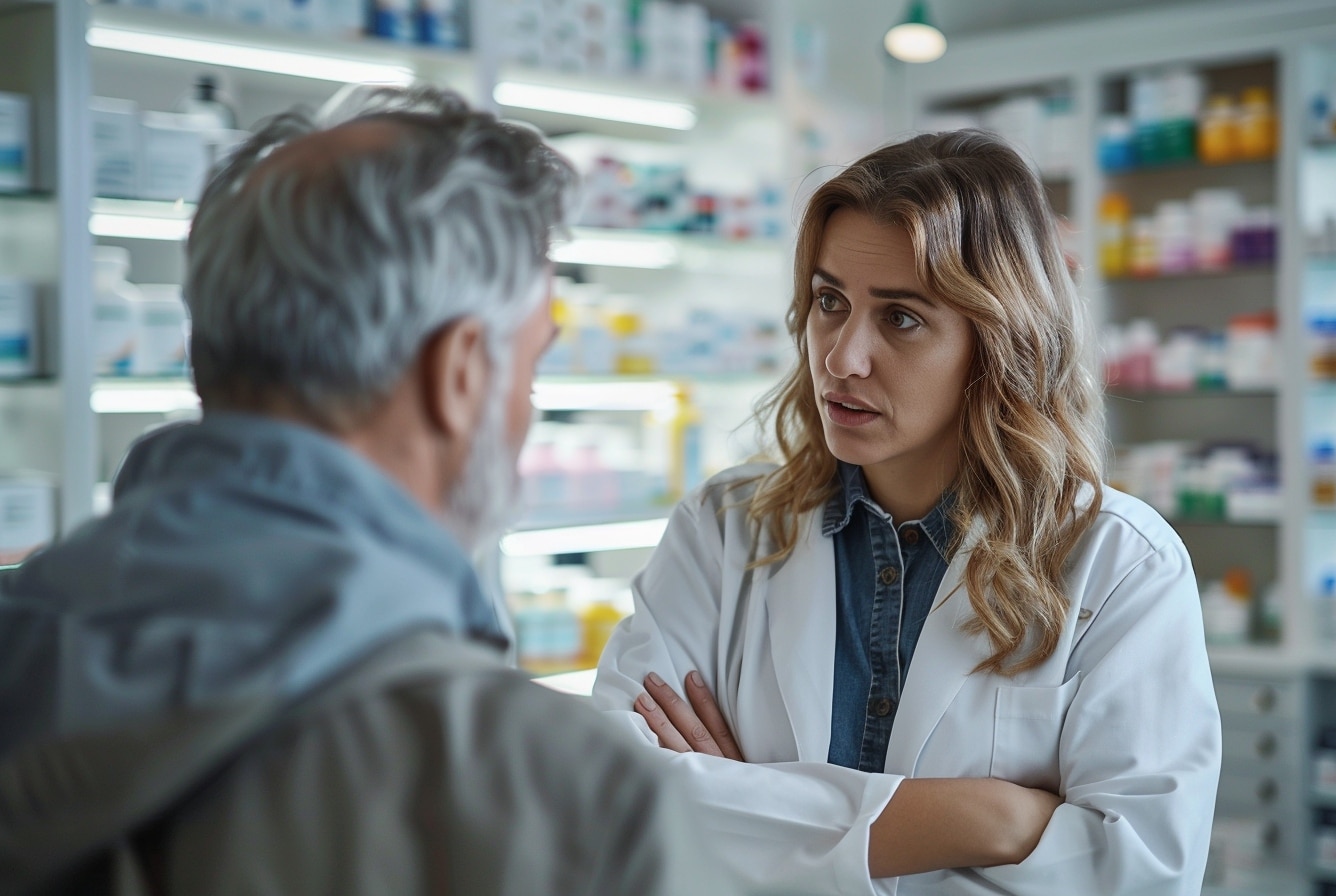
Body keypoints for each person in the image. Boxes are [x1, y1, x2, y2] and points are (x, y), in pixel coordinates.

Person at [0, 84, 738, 896]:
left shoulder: (23, 638)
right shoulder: (564, 802)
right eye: (532, 366)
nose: (527, 408)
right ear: (459, 375)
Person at [592, 129, 1223, 895]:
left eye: (901, 318)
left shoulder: (1120, 564)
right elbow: (616, 798)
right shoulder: (721, 532)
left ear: (998, 341)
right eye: (830, 302)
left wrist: (755, 823)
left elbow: (1137, 873)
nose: (841, 357)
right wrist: (986, 820)